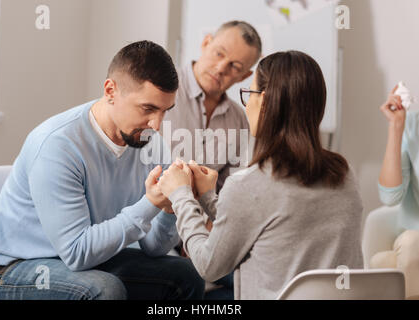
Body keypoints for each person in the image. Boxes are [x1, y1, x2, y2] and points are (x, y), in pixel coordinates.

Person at [0, 40, 205, 300]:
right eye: (148, 109)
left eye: (165, 111)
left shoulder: (150, 143)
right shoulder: (58, 145)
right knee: (104, 290)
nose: (157, 124)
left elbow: (154, 248)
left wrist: (168, 206)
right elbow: (76, 253)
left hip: (87, 258)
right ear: (110, 91)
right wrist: (149, 202)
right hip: (13, 268)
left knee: (187, 275)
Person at [157, 51, 364, 300]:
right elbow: (264, 221)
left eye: (249, 94)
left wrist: (181, 196)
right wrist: (208, 196)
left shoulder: (249, 184)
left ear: (264, 101)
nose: (246, 105)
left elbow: (207, 266)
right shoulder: (344, 174)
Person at [163, 20, 262, 299]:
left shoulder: (240, 119)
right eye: (219, 53)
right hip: (159, 231)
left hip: (210, 236)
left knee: (258, 275)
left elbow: (233, 190)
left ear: (245, 77)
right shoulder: (162, 92)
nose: (221, 69)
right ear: (205, 43)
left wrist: (211, 229)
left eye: (235, 67)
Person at [372, 86, 419, 299]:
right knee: (410, 244)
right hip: (415, 243)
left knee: (382, 263)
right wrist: (396, 127)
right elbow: (390, 196)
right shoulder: (413, 124)